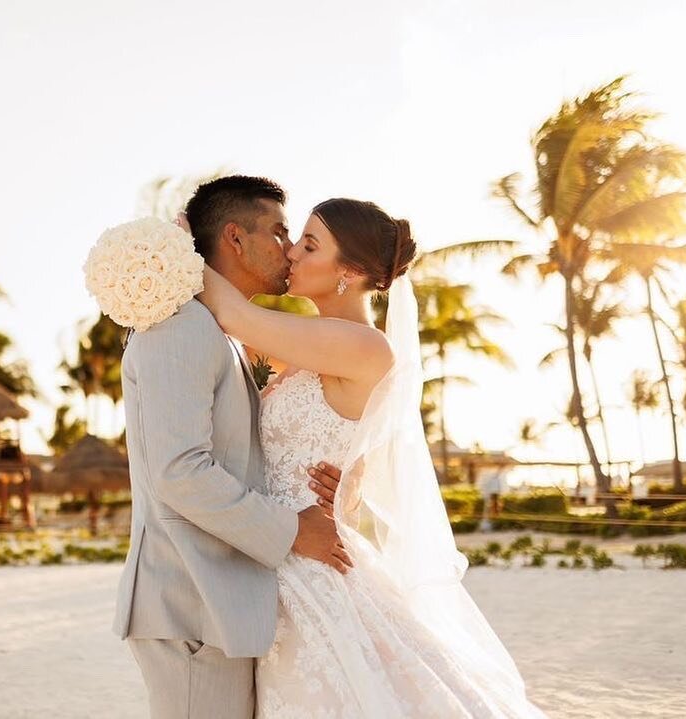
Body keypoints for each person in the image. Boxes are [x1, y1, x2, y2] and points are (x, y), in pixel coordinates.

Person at [197, 196, 547, 717]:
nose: (291, 253)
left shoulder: (367, 348)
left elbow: (230, 312)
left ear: (350, 272)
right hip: (277, 545)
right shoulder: (300, 345)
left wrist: (172, 248)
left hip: (308, 561)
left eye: (309, 244)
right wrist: (350, 483)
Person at [114, 176, 355, 719]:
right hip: (189, 604)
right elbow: (179, 473)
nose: (288, 248)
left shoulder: (217, 331)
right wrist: (294, 530)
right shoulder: (180, 327)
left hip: (217, 601)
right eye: (278, 231)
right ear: (234, 238)